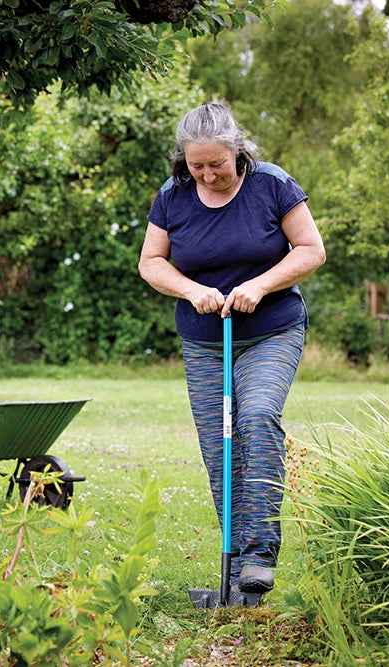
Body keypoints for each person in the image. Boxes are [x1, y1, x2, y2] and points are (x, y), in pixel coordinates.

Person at [138, 103, 325, 594]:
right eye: (196, 165)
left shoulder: (272, 185)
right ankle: (238, 567)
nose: (206, 174)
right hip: (205, 339)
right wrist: (189, 289)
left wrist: (260, 285)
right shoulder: (173, 195)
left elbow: (311, 250)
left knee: (258, 417)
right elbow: (152, 262)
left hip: (270, 330)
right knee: (219, 445)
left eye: (215, 164)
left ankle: (260, 553)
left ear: (237, 151)